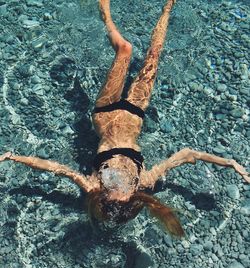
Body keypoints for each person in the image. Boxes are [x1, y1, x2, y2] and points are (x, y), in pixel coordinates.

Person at [0, 0, 249, 237]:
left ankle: (105, 13)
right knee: (154, 55)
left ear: (103, 200)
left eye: (110, 197)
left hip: (105, 111)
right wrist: (230, 163)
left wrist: (13, 157)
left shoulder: (93, 185)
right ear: (132, 200)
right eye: (122, 195)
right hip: (136, 110)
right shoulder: (144, 181)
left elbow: (55, 168)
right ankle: (167, 8)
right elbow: (186, 155)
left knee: (125, 49)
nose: (116, 191)